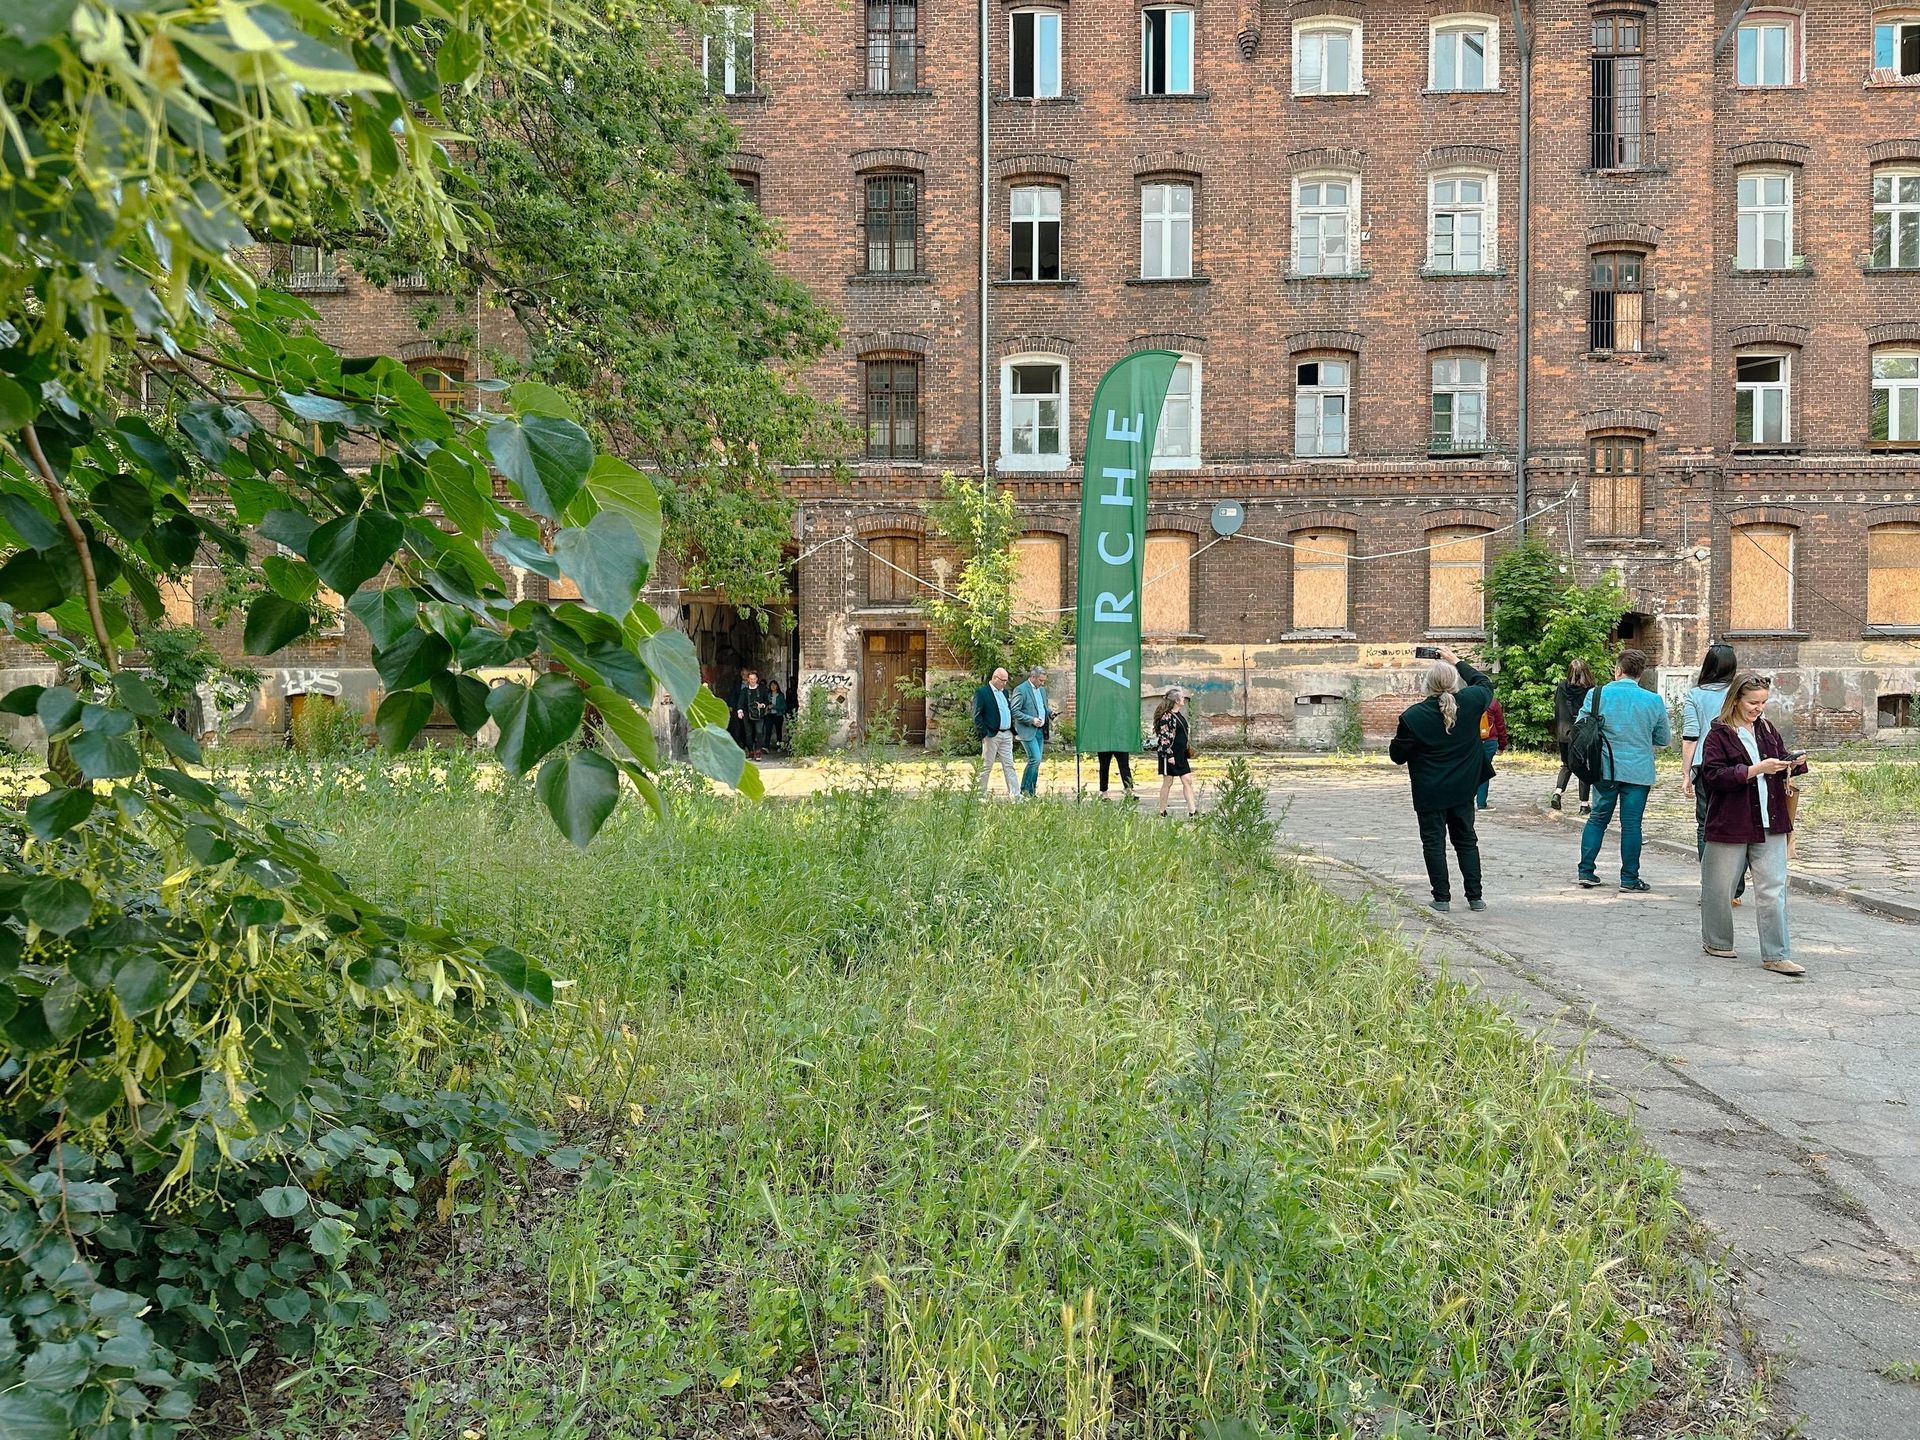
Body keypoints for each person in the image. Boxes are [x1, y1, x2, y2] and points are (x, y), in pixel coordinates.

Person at [1698, 671, 1809, 975]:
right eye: (1752, 702)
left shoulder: (1767, 729)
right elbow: (1713, 776)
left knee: (1773, 889)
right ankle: (1717, 941)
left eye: (1763, 702)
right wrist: (1755, 769)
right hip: (1730, 822)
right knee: (1719, 888)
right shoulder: (1719, 734)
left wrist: (1793, 763)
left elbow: (1777, 760)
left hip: (1770, 820)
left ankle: (1776, 954)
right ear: (1735, 699)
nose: (1758, 708)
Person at [1388, 647, 1494, 913]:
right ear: (1455, 682)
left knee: (1434, 844)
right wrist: (1455, 660)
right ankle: (1475, 897)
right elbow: (1484, 682)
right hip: (1463, 790)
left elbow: (1397, 756)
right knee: (1466, 840)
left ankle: (1442, 898)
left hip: (1430, 792)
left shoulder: (1413, 717)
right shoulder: (1470, 702)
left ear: (1426, 685)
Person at [1575, 648, 1672, 893]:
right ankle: (1629, 878)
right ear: (1641, 674)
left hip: (1605, 768)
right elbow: (1663, 739)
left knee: (1597, 818)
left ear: (1617, 670)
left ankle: (1586, 871)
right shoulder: (1653, 700)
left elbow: (1580, 728)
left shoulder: (1596, 695)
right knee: (1632, 825)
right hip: (1638, 771)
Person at [1680, 643, 1745, 905]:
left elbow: (1690, 737)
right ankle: (1734, 889)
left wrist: (1686, 773)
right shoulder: (1741, 693)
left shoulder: (1694, 695)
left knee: (1705, 826)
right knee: (1740, 825)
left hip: (1706, 766)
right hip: (1741, 766)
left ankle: (1710, 888)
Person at [1550, 658, 1595, 814]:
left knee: (1567, 764)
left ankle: (1557, 792)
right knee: (1584, 766)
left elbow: (1557, 709)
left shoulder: (1561, 687)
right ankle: (1584, 804)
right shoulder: (1590, 690)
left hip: (1563, 732)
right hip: (1581, 733)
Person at [972, 666, 1019, 799]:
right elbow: (977, 715)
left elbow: (1006, 710)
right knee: (986, 765)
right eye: (1002, 680)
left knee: (1009, 765)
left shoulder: (1004, 692)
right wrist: (984, 733)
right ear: (994, 678)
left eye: (1006, 681)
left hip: (1006, 733)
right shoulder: (982, 692)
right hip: (992, 734)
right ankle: (980, 795)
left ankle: (1015, 795)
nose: (1005, 683)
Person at [1010, 664, 1054, 798]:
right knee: (1034, 758)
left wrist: (1050, 713)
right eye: (1040, 680)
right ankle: (1024, 790)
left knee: (1037, 760)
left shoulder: (1042, 691)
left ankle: (1032, 792)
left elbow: (1042, 708)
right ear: (1032, 677)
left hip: (1040, 731)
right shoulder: (1021, 690)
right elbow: (1015, 711)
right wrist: (1031, 720)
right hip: (1027, 730)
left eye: (1044, 680)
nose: (1042, 683)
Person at [1152, 687, 1197, 817]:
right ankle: (1162, 811)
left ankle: (1192, 811)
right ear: (1176, 700)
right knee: (1168, 782)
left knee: (1187, 780)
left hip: (1181, 754)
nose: (1184, 699)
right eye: (1182, 698)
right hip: (1169, 754)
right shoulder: (1166, 717)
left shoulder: (1179, 715)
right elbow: (1164, 736)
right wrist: (1169, 754)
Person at [1475, 694, 1508, 810]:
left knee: (1470, 770)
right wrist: (1502, 745)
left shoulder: (1468, 701)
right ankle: (1481, 803)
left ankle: (1464, 801)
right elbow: (1500, 725)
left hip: (1471, 741)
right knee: (1484, 771)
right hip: (1489, 741)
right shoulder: (1493, 703)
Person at [732, 668, 772, 759]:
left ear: (757, 679)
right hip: (747, 715)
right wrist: (740, 711)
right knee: (748, 734)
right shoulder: (744, 691)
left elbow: (767, 701)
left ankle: (758, 751)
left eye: (754, 679)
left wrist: (762, 705)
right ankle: (750, 751)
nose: (752, 680)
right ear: (748, 680)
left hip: (759, 715)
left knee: (759, 732)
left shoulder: (762, 689)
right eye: (751, 679)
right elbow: (740, 703)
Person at [766, 679, 788, 753]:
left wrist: (774, 706)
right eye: (771, 685)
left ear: (777, 686)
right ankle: (766, 747)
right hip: (769, 715)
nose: (773, 686)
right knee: (768, 731)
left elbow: (784, 706)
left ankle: (779, 746)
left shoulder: (781, 695)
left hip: (778, 715)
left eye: (774, 685)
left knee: (778, 731)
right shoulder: (768, 695)